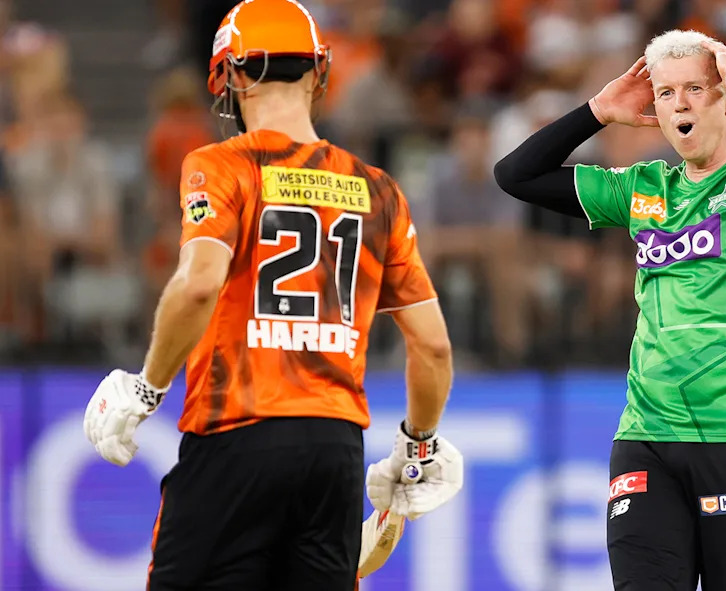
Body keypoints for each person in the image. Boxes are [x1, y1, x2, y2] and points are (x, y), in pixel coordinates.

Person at [82, 1, 463, 589]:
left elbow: (199, 283)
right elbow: (432, 346)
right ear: (319, 72)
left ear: (230, 76)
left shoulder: (221, 165)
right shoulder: (379, 189)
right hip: (335, 450)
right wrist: (419, 447)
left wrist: (146, 387)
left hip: (235, 435)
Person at [495, 29, 726, 591]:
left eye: (695, 88)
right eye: (666, 93)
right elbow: (515, 176)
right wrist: (597, 112)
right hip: (646, 435)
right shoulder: (645, 188)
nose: (680, 104)